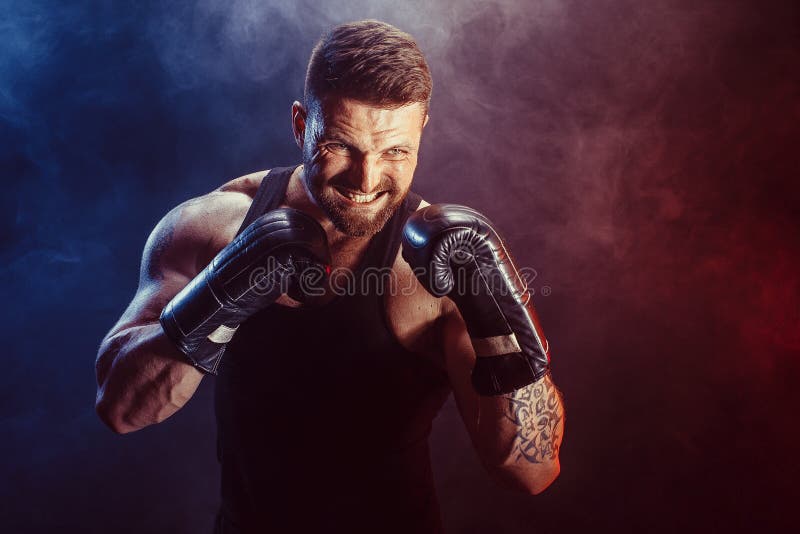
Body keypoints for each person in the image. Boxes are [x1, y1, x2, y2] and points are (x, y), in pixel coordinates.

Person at [94, 19, 564, 534]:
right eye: (341, 146)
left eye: (395, 152)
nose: (366, 179)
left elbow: (531, 471)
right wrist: (222, 290)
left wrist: (493, 309)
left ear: (422, 129)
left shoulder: (447, 269)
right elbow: (122, 410)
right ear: (301, 125)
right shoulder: (212, 227)